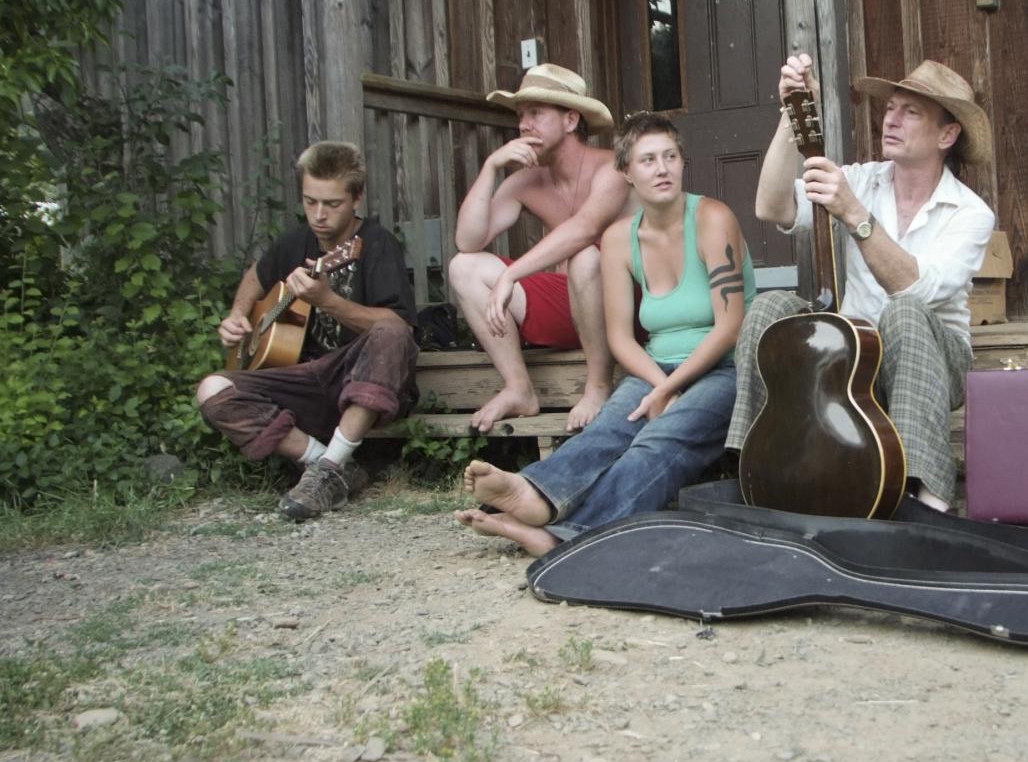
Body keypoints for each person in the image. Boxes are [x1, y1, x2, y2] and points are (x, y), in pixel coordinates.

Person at [454, 111, 756, 555]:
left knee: (659, 441)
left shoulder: (712, 217)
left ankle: (564, 536)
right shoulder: (619, 238)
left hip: (724, 369)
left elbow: (730, 327)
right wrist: (657, 385)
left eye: (670, 156)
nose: (662, 168)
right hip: (655, 367)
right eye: (648, 160)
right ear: (627, 173)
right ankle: (536, 494)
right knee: (608, 429)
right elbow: (621, 339)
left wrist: (667, 390)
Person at [725, 55, 996, 511]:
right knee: (769, 309)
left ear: (947, 135)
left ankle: (924, 497)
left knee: (905, 313)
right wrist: (791, 118)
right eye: (891, 107)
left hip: (932, 359)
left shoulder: (970, 213)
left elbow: (915, 290)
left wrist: (854, 214)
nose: (891, 119)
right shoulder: (864, 180)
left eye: (912, 112)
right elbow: (772, 208)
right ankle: (749, 467)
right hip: (854, 353)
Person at [198, 141, 419, 521]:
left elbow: (399, 325)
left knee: (391, 334)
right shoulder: (295, 241)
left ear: (357, 199)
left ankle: (328, 468)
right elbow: (257, 273)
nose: (319, 215)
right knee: (212, 390)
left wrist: (329, 300)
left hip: (358, 379)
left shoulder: (376, 244)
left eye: (332, 204)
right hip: (302, 381)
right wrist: (238, 315)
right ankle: (329, 467)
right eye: (310, 201)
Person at [449, 64, 631, 433]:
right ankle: (519, 388)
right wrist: (491, 166)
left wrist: (511, 275)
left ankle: (598, 385)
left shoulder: (612, 167)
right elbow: (468, 241)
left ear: (569, 119)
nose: (523, 124)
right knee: (462, 266)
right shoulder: (525, 181)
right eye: (520, 115)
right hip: (575, 308)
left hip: (631, 307)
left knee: (584, 255)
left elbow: (585, 229)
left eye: (536, 113)